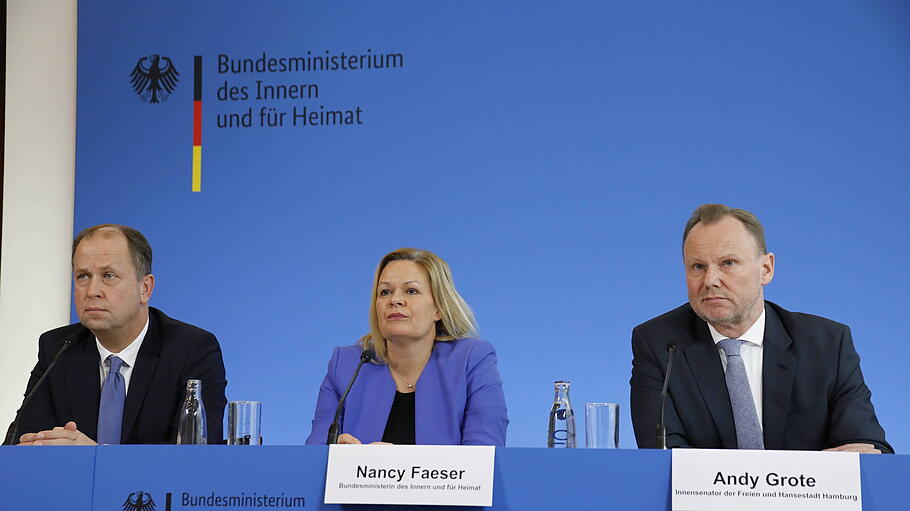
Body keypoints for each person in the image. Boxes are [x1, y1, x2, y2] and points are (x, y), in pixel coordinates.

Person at [630, 204, 891, 453]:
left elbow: (867, 450)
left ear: (765, 269)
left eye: (728, 263)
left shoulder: (827, 345)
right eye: (698, 266)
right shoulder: (660, 345)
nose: (710, 280)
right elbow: (664, 459)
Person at [11, 224, 227, 445]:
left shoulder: (191, 350)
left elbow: (196, 458)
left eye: (109, 275)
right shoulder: (58, 348)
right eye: (83, 276)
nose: (92, 291)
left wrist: (94, 458)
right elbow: (23, 444)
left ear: (145, 288)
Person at [305, 248, 508, 446]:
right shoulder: (347, 365)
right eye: (385, 292)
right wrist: (340, 456)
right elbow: (315, 456)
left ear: (438, 308)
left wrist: (395, 467)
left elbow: (483, 457)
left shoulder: (471, 360)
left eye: (411, 291)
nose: (395, 300)